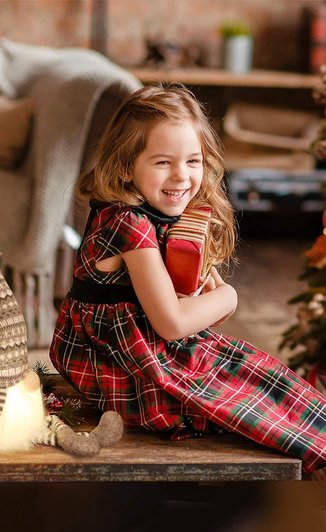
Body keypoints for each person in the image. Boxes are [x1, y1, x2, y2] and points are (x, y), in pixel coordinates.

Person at [49, 84, 326, 473]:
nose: (182, 176)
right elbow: (174, 322)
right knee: (234, 400)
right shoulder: (129, 223)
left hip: (142, 343)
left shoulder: (159, 214)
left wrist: (200, 291)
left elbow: (192, 299)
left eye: (193, 161)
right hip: (109, 358)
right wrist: (228, 296)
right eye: (163, 162)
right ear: (126, 166)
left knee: (262, 375)